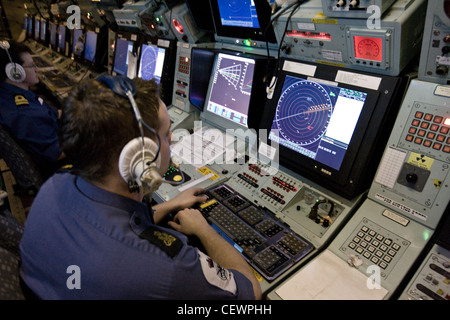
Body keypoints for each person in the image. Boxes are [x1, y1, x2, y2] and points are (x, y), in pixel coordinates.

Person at [19, 76, 262, 300]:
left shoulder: (54, 186)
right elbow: (249, 292)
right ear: (140, 155)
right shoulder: (169, 266)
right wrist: (204, 230)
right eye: (167, 134)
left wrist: (169, 205)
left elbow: (114, 224)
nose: (173, 139)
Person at [0, 40, 65, 179]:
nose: (37, 69)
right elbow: (58, 154)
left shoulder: (14, 95)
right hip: (59, 168)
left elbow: (53, 113)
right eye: (31, 66)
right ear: (14, 73)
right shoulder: (25, 114)